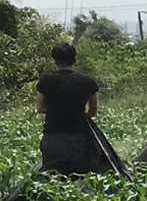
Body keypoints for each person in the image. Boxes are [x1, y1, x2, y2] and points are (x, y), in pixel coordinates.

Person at [35, 43, 113, 175]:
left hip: (53, 136)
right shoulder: (87, 82)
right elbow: (93, 110)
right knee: (78, 177)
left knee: (52, 178)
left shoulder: (46, 80)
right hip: (78, 138)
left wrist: (58, 110)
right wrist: (78, 113)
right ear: (75, 59)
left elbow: (40, 107)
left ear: (55, 60)